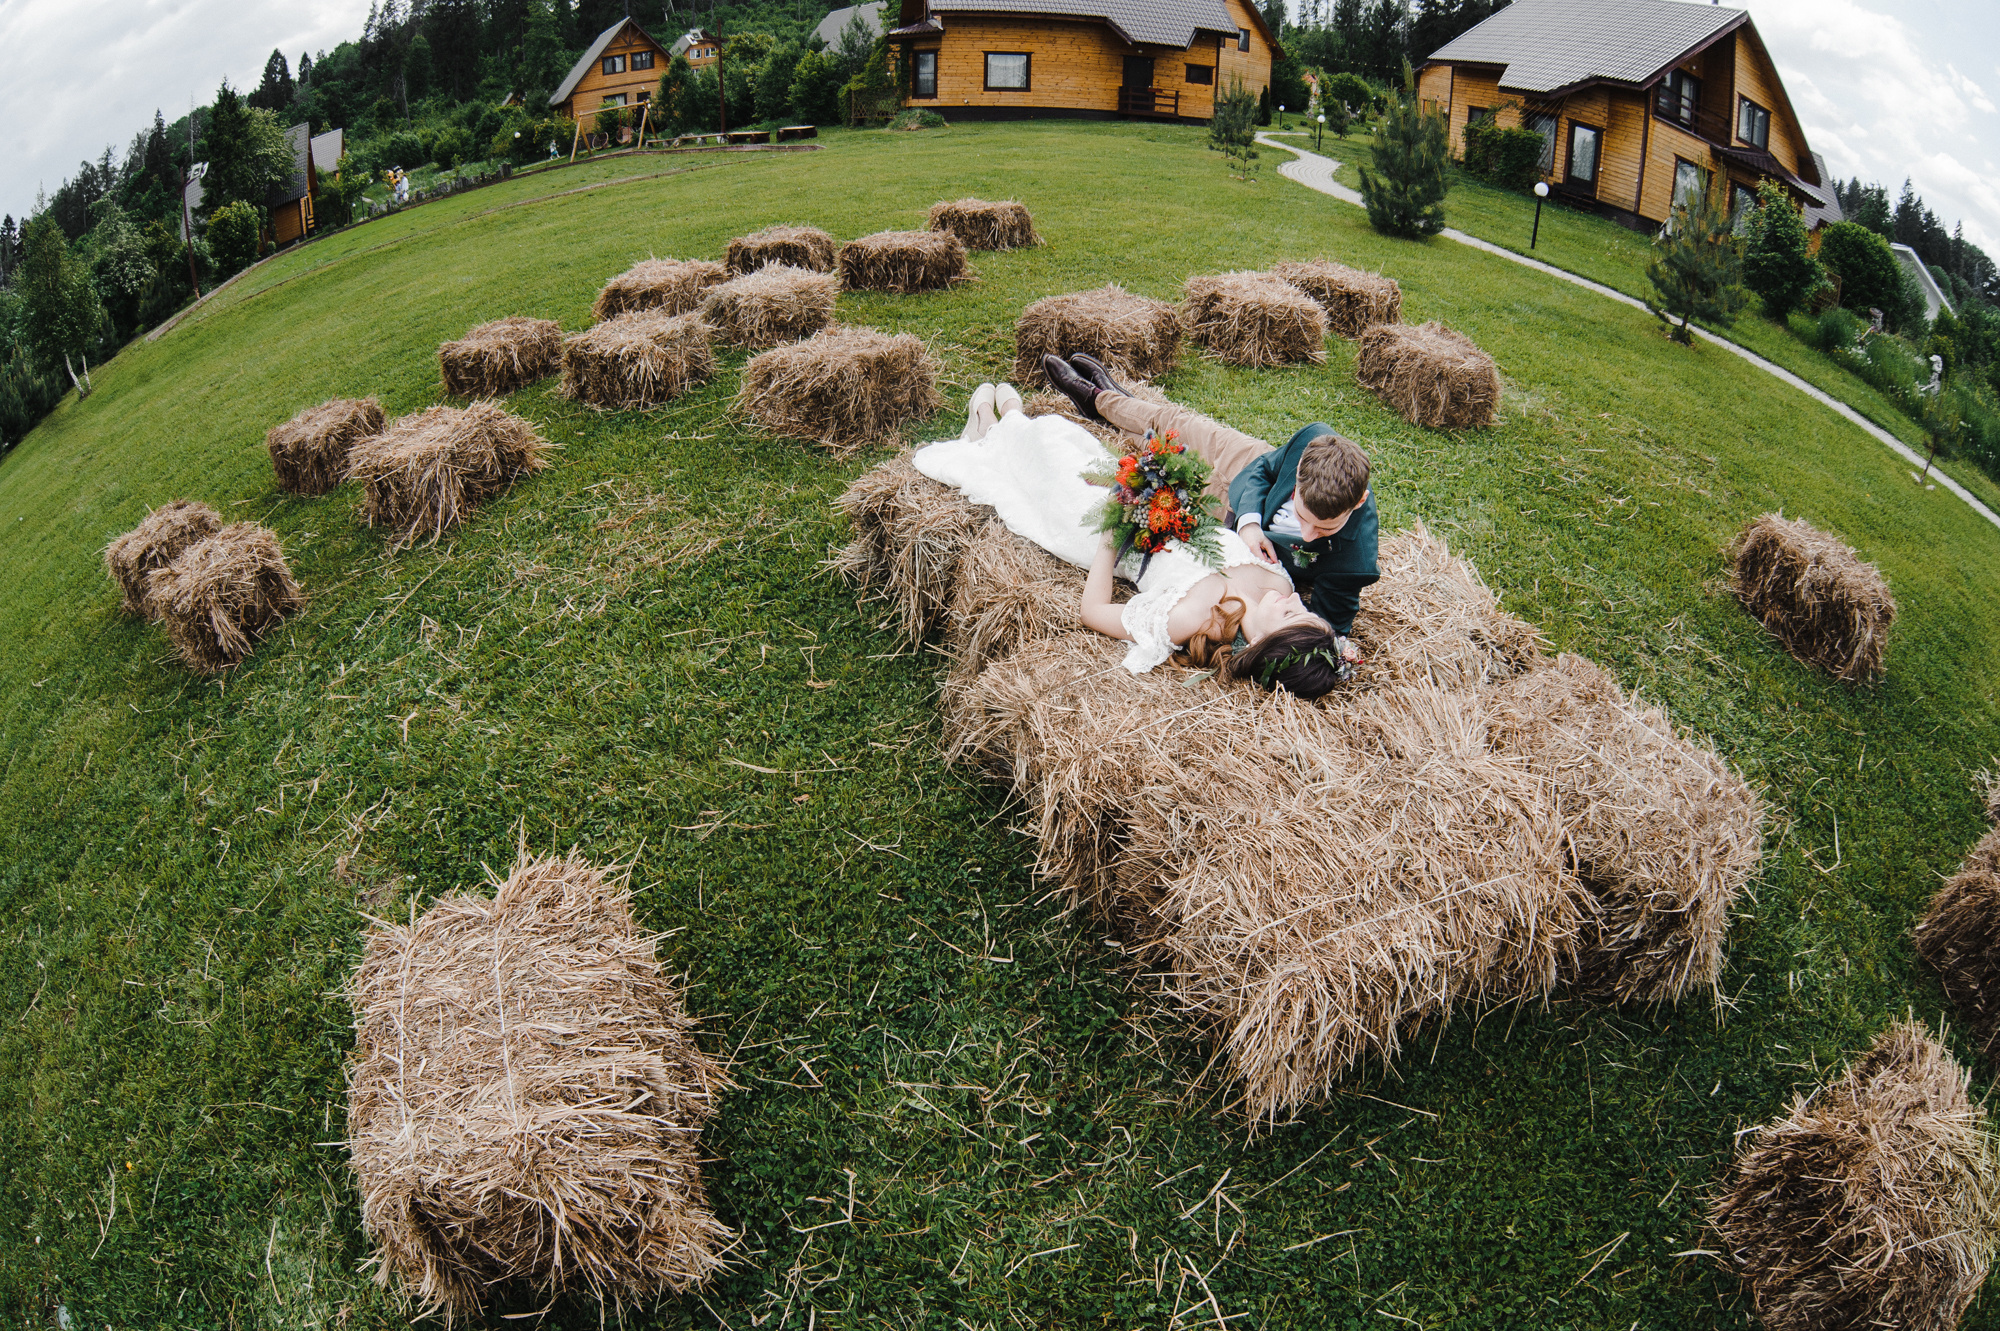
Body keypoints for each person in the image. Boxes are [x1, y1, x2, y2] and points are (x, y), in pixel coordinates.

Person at [908, 368, 1355, 700]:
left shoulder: (1192, 622)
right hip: (1151, 505)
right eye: (1306, 609)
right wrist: (1165, 490)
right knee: (1063, 439)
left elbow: (1094, 611)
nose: (1296, 599)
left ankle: (990, 420)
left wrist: (1111, 526)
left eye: (1292, 614)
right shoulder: (1278, 581)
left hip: (1107, 530)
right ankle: (1009, 420)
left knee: (1037, 461)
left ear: (1263, 643)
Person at [1043, 353, 1379, 643]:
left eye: (1323, 530)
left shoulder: (1355, 565)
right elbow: (1264, 468)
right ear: (1300, 475)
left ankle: (1105, 401)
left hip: (1225, 521)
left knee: (1166, 456)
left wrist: (1335, 645)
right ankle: (1102, 398)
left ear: (1359, 501)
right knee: (1178, 424)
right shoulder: (1315, 440)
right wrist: (1251, 521)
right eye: (1304, 518)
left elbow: (1320, 629)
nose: (1306, 536)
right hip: (1251, 472)